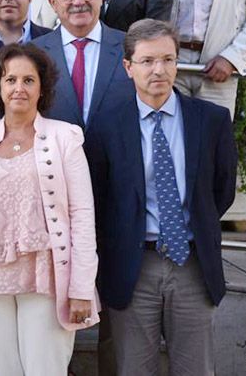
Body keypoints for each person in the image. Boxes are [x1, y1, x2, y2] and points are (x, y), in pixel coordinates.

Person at [85, 19, 237, 375]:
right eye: (149, 61)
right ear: (128, 67)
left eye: (168, 60)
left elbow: (222, 189)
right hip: (134, 265)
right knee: (133, 368)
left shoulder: (211, 120)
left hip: (192, 263)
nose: (160, 70)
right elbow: (99, 196)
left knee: (195, 368)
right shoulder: (106, 126)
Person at [0, 42, 99, 374]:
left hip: (45, 277)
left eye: (28, 80)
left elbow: (82, 215)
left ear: (41, 87)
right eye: (10, 79)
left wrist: (81, 288)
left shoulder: (65, 138)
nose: (19, 88)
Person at [32, 0, 134, 131]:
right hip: (56, 156)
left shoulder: (131, 47)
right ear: (53, 3)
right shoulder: (32, 54)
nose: (78, 2)